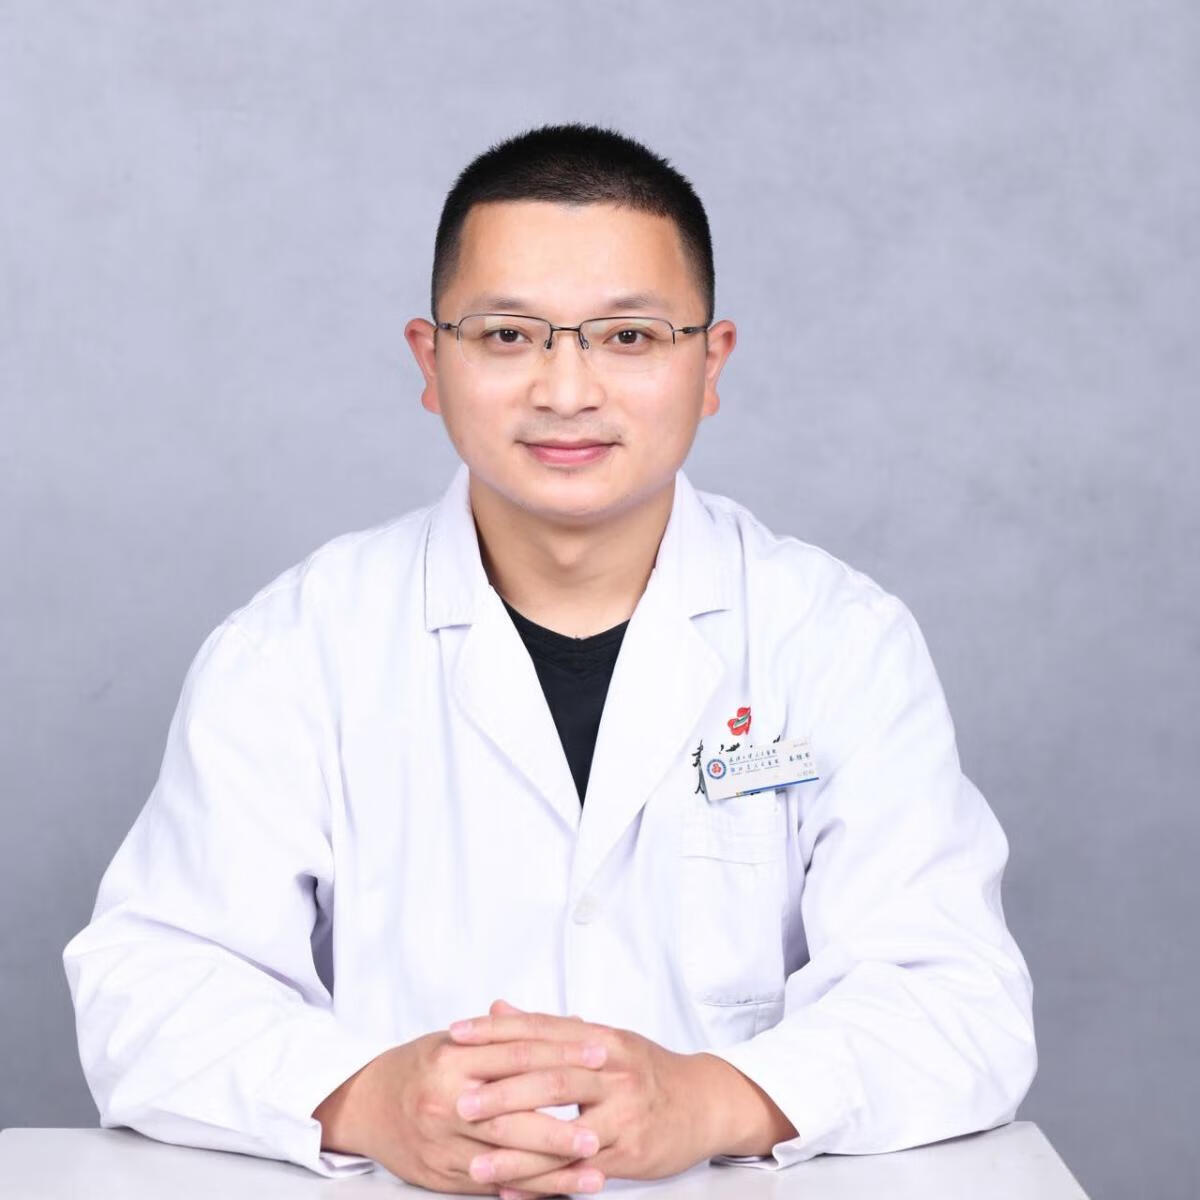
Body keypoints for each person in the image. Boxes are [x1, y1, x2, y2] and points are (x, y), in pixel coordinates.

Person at [62, 122, 1037, 1199]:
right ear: (431, 362)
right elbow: (150, 987)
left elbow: (959, 1000)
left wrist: (713, 1100)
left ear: (710, 364)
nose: (567, 391)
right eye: (508, 335)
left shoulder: (838, 641)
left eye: (629, 337)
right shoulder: (296, 648)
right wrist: (368, 1099)